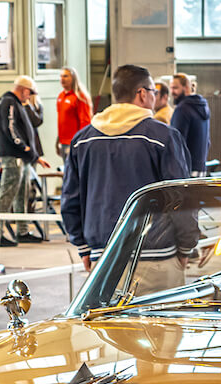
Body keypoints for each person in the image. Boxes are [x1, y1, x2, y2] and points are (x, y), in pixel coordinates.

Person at [61, 64, 196, 292]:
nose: (154, 97)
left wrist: (84, 247)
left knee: (107, 328)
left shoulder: (82, 141)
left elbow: (70, 199)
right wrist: (186, 247)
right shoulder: (163, 138)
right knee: (161, 327)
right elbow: (181, 197)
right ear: (142, 94)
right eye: (153, 92)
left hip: (103, 259)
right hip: (156, 257)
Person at [0, 76, 49, 246]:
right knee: (7, 195)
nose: (30, 96)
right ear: (24, 90)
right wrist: (24, 147)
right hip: (14, 156)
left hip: (21, 157)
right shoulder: (9, 102)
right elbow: (10, 128)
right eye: (30, 92)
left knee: (21, 194)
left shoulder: (15, 103)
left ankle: (22, 230)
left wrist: (33, 155)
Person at [169, 72, 210, 176]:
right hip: (201, 168)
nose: (172, 92)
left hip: (186, 170)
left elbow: (176, 143)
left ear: (186, 88)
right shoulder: (202, 106)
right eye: (171, 88)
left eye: (175, 88)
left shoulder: (183, 109)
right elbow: (208, 142)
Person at [56, 67, 92, 160]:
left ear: (73, 78)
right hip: (63, 141)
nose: (62, 79)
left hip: (74, 142)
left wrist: (81, 142)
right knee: (67, 169)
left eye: (65, 76)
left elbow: (85, 122)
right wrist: (58, 140)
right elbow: (62, 121)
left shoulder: (80, 97)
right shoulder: (61, 96)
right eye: (61, 76)